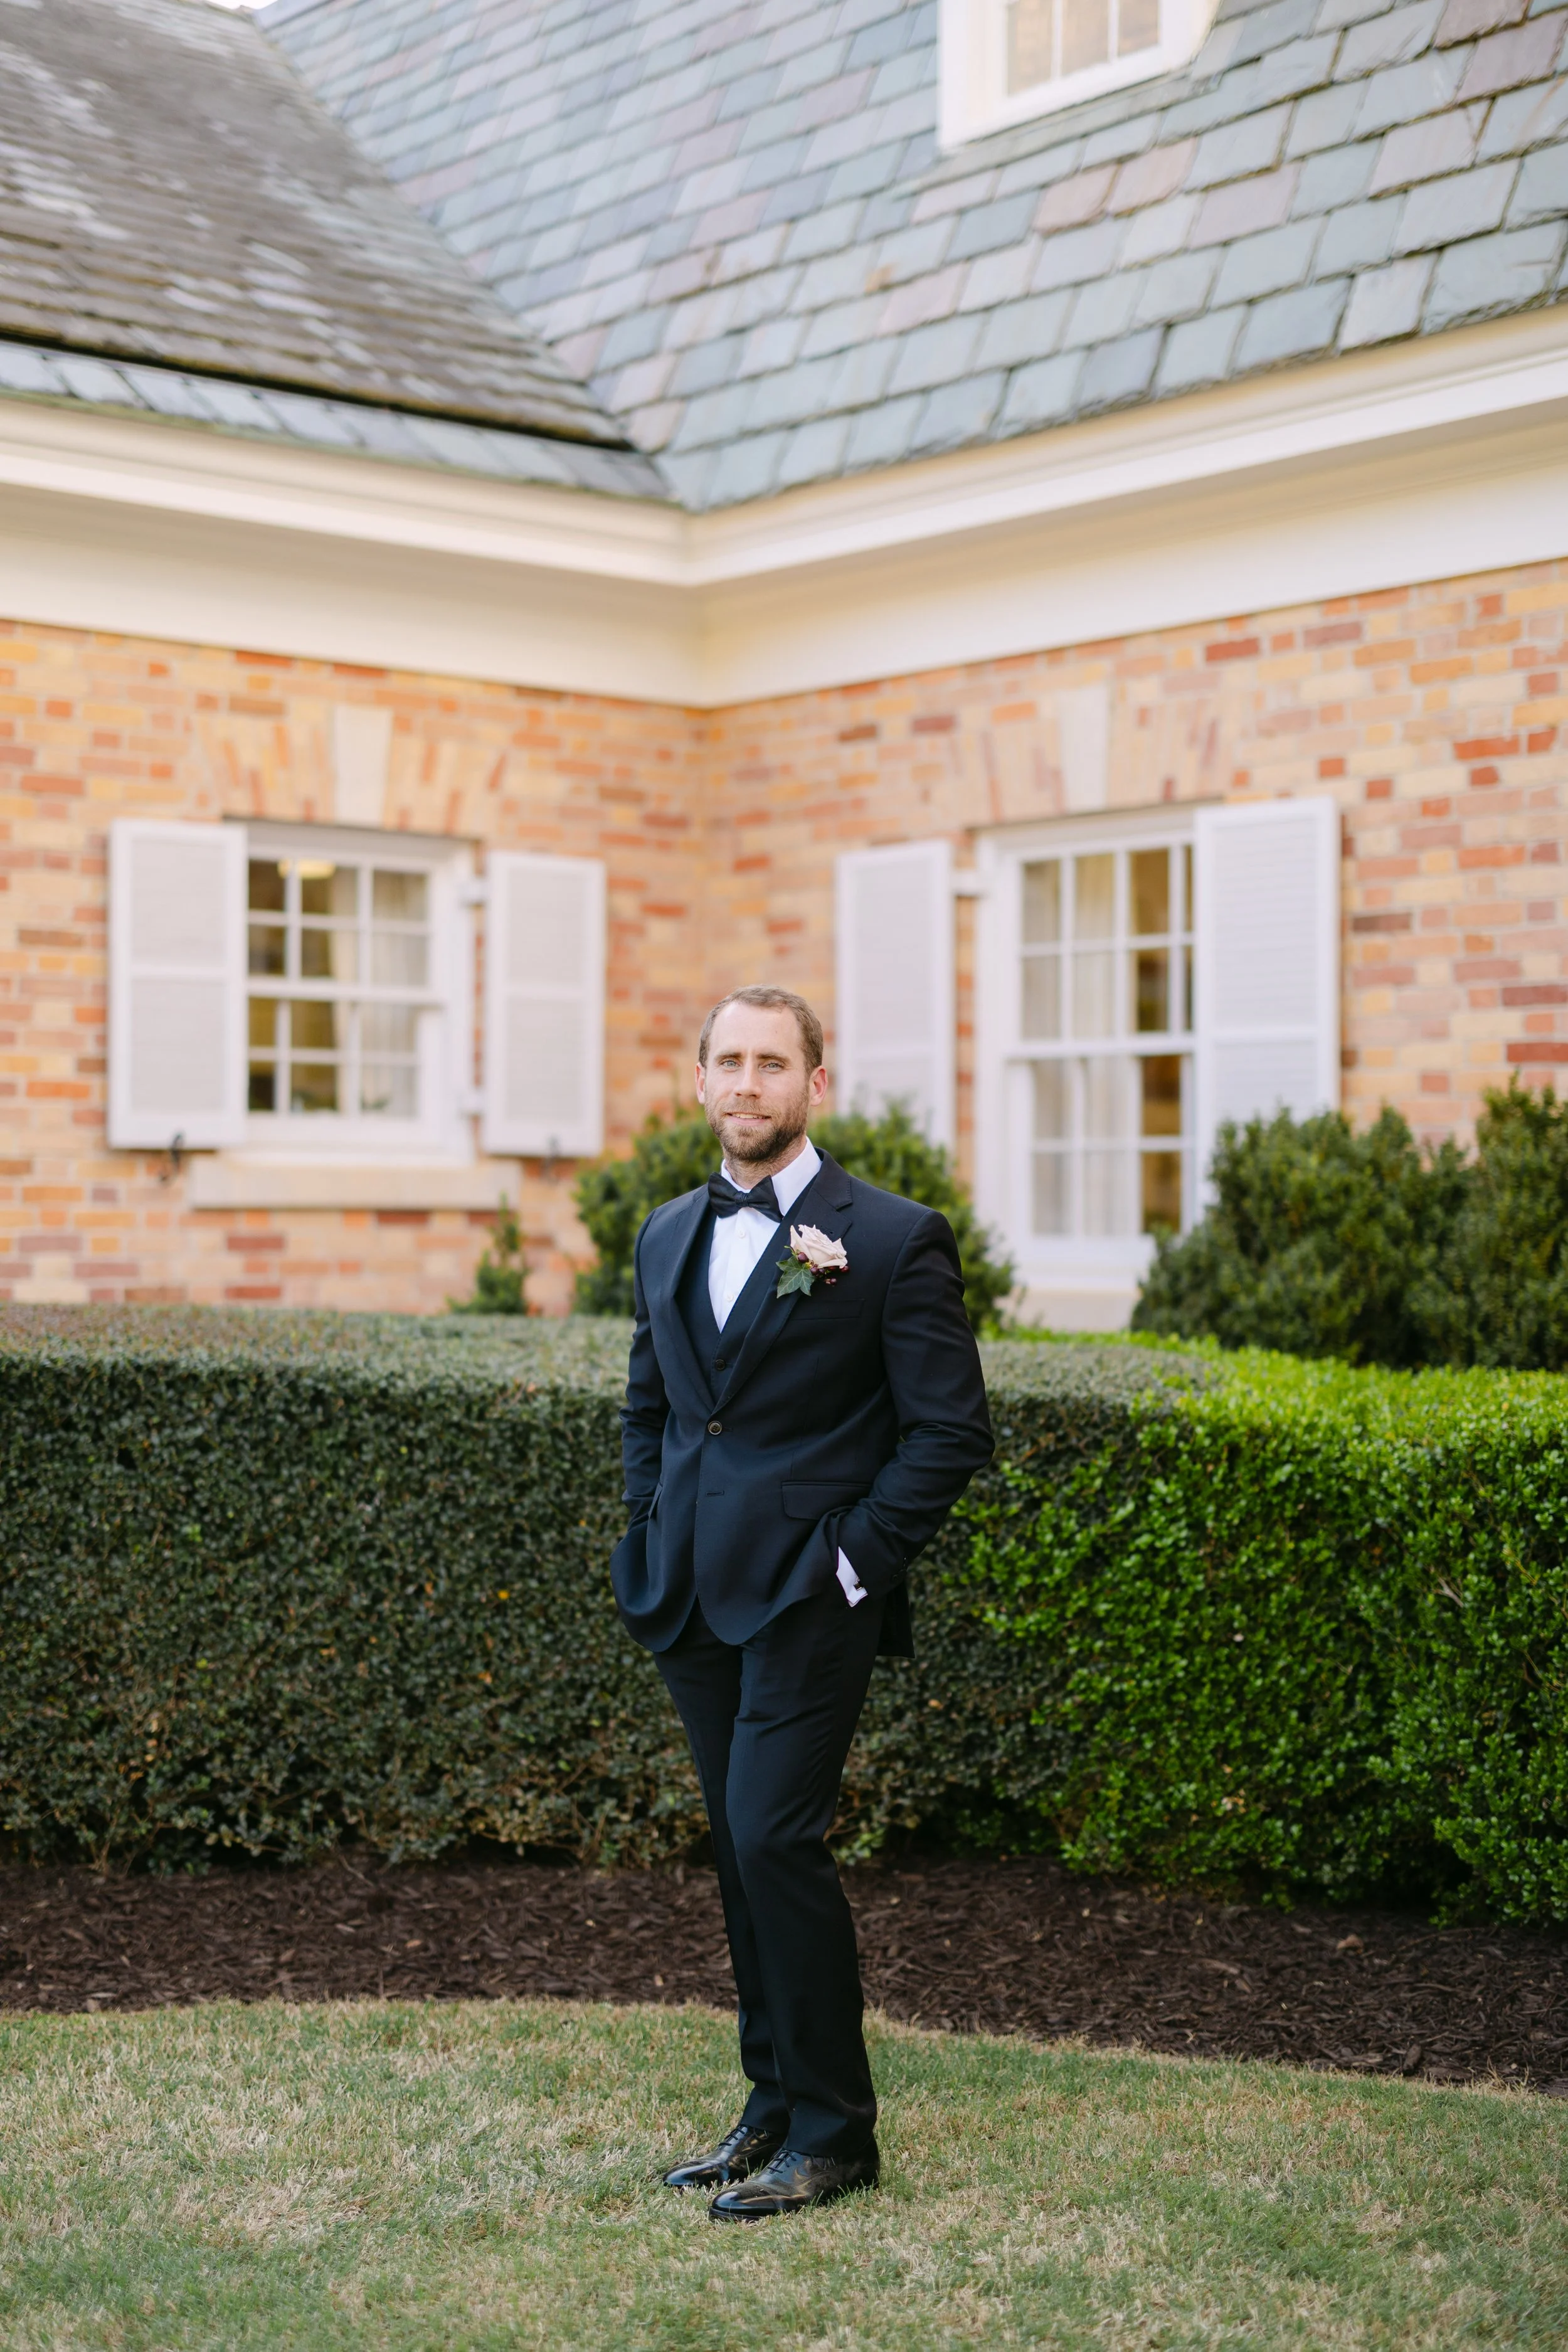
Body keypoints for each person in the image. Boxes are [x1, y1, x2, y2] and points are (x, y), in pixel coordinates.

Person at [610, 985, 993, 2220]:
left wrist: (852, 1561)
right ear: (702, 1077)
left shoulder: (886, 1238)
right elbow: (654, 1410)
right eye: (726, 1060)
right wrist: (649, 1527)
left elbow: (947, 1433)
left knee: (775, 1836)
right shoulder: (666, 1232)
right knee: (737, 1850)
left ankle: (835, 2132)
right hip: (690, 1597)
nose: (745, 1084)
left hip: (810, 1598)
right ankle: (768, 2104)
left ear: (814, 1085)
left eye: (771, 1063)